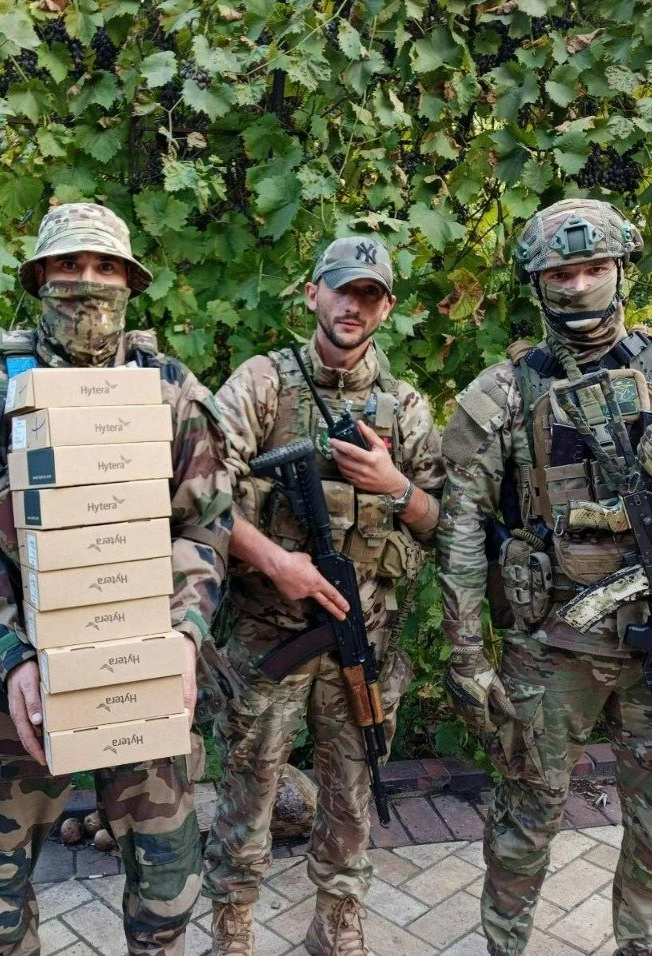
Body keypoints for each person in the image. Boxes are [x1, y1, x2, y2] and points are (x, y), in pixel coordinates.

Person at [435, 199, 652, 956]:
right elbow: (459, 529)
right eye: (563, 271)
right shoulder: (502, 391)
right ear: (538, 281)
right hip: (551, 645)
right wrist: (467, 657)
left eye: (595, 268)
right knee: (525, 822)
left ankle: (644, 947)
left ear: (621, 269)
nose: (581, 285)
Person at [0, 202, 232, 956]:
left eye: (104, 269)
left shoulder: (170, 389)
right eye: (69, 268)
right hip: (16, 684)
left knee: (168, 894)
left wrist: (185, 637)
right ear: (39, 278)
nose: (86, 285)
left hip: (142, 670)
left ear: (129, 280)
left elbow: (204, 525)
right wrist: (12, 656)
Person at [202, 237, 444, 956]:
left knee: (352, 788)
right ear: (313, 294)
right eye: (342, 290)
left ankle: (338, 922)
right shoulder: (263, 384)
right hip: (270, 635)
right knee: (248, 793)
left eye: (370, 294)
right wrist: (276, 560)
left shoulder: (403, 408)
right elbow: (195, 492)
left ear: (387, 308)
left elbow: (447, 520)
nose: (353, 305)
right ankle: (233, 925)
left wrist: (393, 487)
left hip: (361, 643)